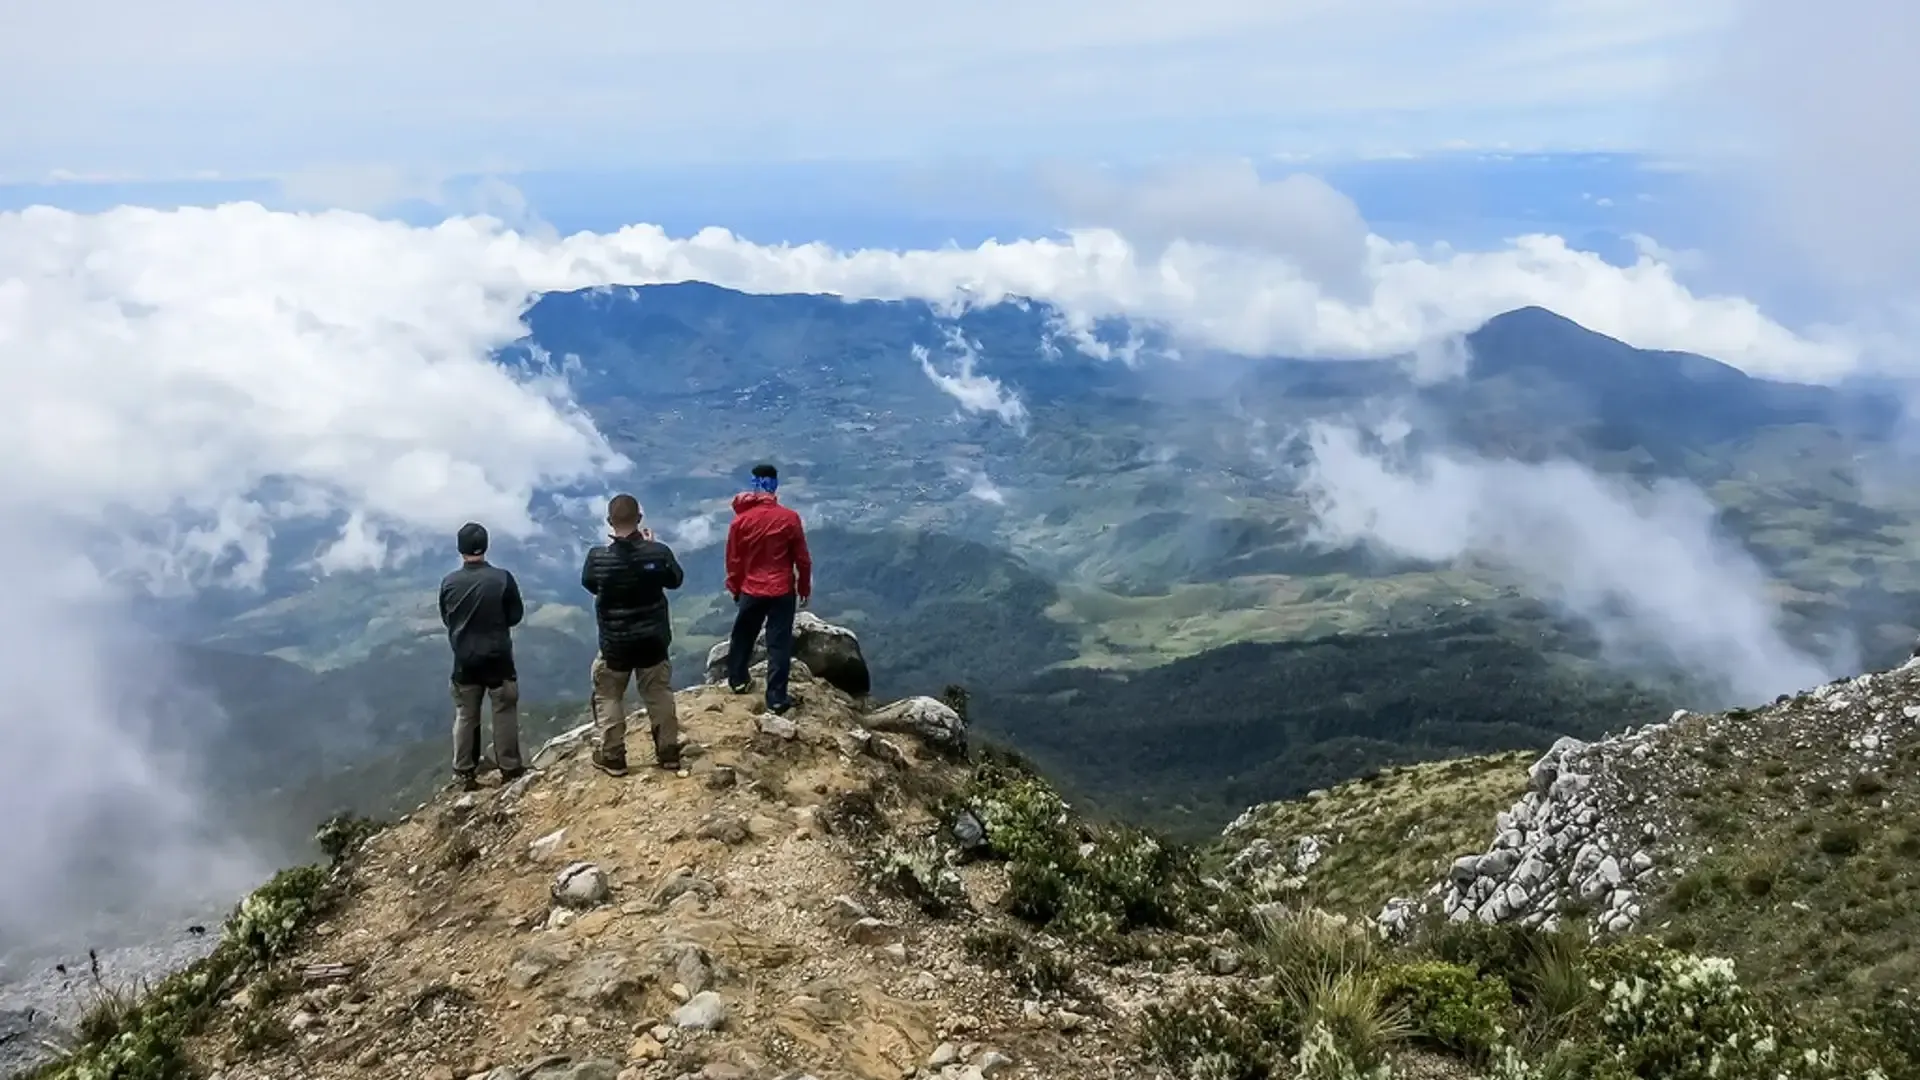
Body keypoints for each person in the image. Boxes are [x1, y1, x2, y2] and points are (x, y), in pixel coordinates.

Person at [580, 493, 687, 776]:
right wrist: (649, 549)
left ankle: (613, 757)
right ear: (639, 520)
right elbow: (675, 579)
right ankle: (668, 753)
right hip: (653, 640)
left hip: (615, 643)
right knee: (658, 693)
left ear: (609, 522)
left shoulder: (597, 558)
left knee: (608, 695)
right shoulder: (658, 552)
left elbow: (590, 584)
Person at [438, 522, 525, 792]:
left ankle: (464, 772)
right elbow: (515, 615)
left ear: (459, 549)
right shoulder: (502, 578)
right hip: (498, 658)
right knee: (504, 710)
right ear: (485, 546)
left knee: (466, 714)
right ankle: (510, 769)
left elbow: (446, 618)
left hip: (464, 660)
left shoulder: (449, 583)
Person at [724, 463, 812, 715]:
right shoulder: (790, 518)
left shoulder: (740, 521)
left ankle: (739, 681)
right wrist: (804, 586)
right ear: (775, 485)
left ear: (754, 484)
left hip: (751, 589)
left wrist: (735, 587)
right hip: (782, 590)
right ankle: (776, 699)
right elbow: (802, 559)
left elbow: (733, 560)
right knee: (779, 643)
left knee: (743, 636)